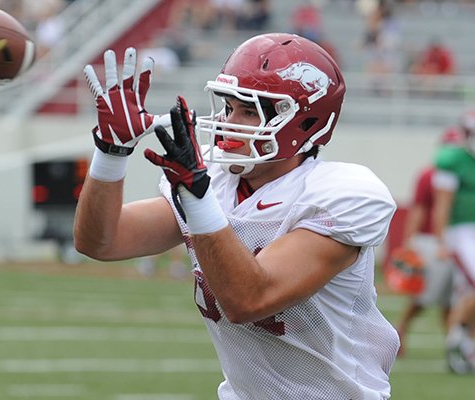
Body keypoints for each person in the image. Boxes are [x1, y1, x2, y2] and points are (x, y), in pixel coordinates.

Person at [75, 33, 398, 398]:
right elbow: (101, 240)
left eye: (248, 111)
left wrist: (197, 199)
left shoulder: (341, 194)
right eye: (229, 107)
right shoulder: (215, 182)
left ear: (305, 123)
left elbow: (248, 299)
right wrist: (110, 153)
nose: (229, 122)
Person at [395, 129, 461, 357]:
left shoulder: (462, 173)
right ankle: (401, 329)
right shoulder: (429, 174)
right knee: (428, 295)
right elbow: (419, 209)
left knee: (453, 295)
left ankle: (454, 343)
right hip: (431, 240)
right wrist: (409, 240)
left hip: (456, 241)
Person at [433, 110, 475, 374]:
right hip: (461, 233)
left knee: (468, 293)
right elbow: (442, 205)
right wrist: (441, 241)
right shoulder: (453, 160)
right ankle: (455, 342)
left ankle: (467, 347)